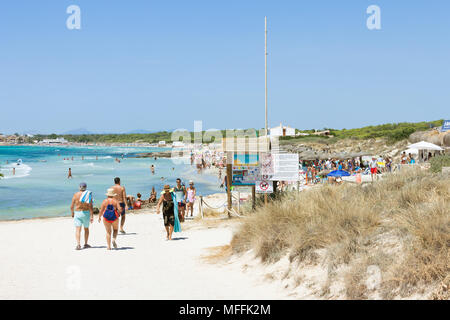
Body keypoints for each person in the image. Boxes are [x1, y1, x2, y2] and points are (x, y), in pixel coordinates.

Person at [70, 182, 94, 250]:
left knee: (78, 229)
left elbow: (72, 206)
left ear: (79, 187)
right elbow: (90, 205)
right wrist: (92, 215)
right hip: (86, 213)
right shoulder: (88, 194)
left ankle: (78, 245)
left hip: (77, 213)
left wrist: (72, 213)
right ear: (85, 187)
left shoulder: (75, 195)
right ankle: (86, 244)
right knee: (86, 229)